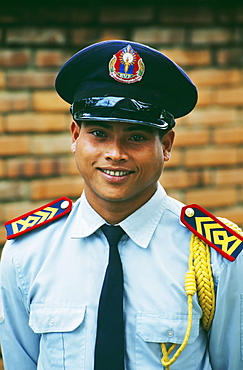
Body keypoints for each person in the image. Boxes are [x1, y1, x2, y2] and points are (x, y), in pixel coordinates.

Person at [0, 40, 242, 370]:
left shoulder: (215, 259)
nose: (115, 152)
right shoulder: (27, 253)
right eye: (98, 133)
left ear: (166, 145)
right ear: (74, 136)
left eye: (137, 137)